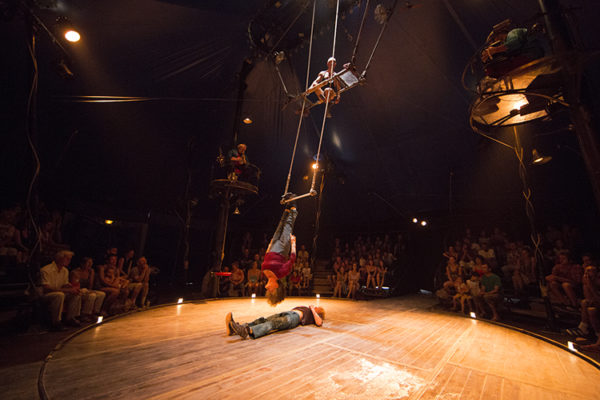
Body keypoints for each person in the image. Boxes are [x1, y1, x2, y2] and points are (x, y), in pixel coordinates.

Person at [261, 196, 298, 306]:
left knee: (281, 224)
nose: (267, 288)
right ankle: (294, 207)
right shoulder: (281, 273)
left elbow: (266, 258)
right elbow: (292, 259)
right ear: (277, 287)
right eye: (270, 290)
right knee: (287, 226)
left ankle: (287, 207)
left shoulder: (265, 274)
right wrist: (293, 244)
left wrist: (269, 247)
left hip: (273, 247)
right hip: (282, 249)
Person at [225, 305, 324, 340]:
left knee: (272, 324)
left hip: (294, 318)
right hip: (287, 313)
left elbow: (319, 323)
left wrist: (313, 310)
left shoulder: (314, 315)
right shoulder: (307, 309)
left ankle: (246, 331)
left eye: (317, 308)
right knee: (264, 320)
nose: (315, 306)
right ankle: (235, 328)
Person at [40, 250, 82, 330]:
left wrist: (71, 287)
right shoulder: (46, 270)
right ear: (60, 258)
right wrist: (67, 290)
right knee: (59, 295)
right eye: (67, 259)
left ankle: (70, 318)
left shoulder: (65, 271)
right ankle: (56, 322)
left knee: (76, 294)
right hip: (45, 295)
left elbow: (64, 284)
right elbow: (46, 288)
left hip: (58, 292)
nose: (69, 261)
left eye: (70, 259)